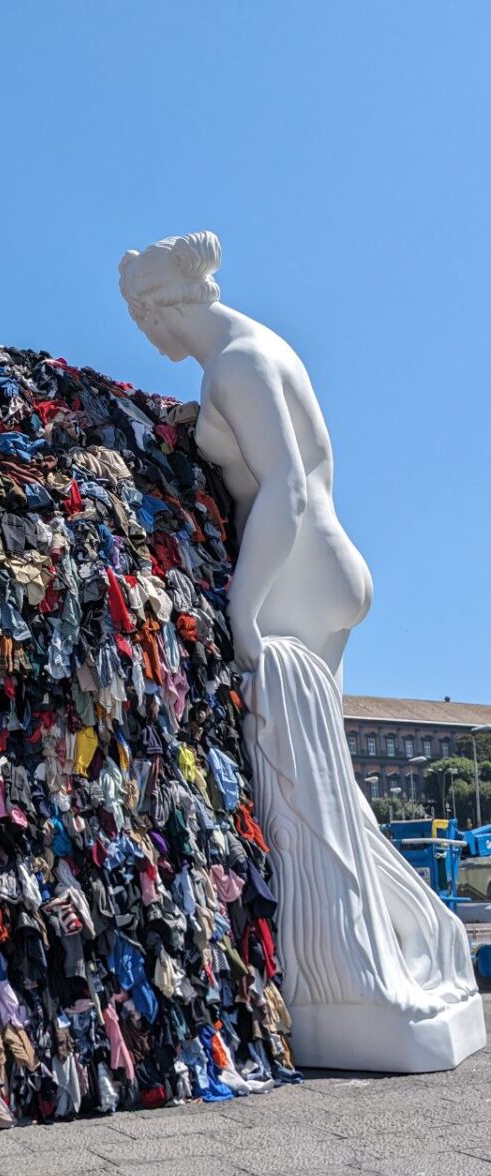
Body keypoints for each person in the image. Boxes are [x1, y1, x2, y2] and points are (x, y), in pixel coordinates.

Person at [120, 232, 485, 1071]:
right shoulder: (264, 348)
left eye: (143, 316)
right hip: (329, 571)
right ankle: (407, 946)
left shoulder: (234, 365)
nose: (147, 335)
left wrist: (243, 611)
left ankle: (348, 982)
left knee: (298, 779)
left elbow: (278, 491)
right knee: (330, 785)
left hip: (289, 575)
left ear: (167, 303)